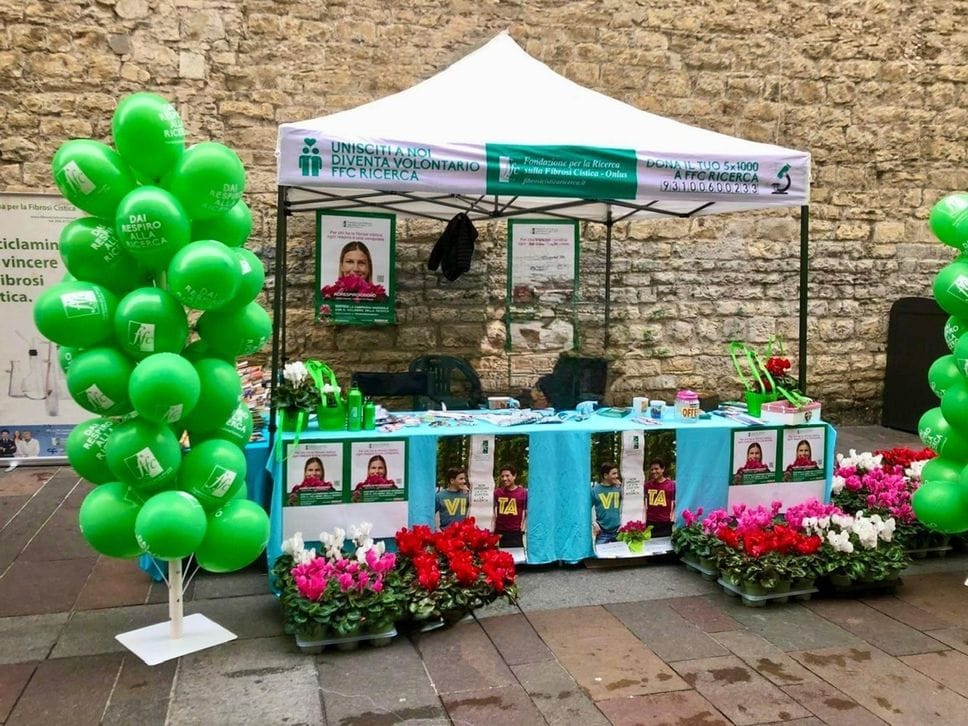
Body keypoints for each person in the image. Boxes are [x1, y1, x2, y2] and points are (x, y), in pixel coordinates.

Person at [493, 464, 527, 548]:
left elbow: (528, 513)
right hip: (499, 533)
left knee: (517, 558)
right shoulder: (497, 492)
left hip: (515, 533)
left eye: (507, 476)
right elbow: (493, 511)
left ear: (514, 476)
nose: (504, 479)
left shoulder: (523, 493)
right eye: (502, 476)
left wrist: (522, 529)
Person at [591, 462, 622, 544]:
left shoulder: (619, 488)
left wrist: (623, 487)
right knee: (600, 556)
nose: (617, 476)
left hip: (619, 531)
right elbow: (587, 509)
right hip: (602, 532)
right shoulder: (595, 490)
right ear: (605, 475)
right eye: (614, 473)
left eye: (617, 473)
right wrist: (594, 524)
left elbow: (628, 504)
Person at [645, 458, 676, 538]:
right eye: (652, 469)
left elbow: (677, 503)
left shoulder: (672, 485)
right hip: (650, 524)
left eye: (656, 469)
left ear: (663, 469)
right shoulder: (647, 485)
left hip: (665, 524)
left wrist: (673, 517)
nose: (654, 471)